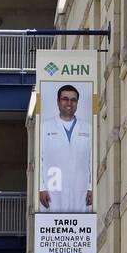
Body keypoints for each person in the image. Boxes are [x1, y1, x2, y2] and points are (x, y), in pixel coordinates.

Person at [39, 84, 93, 212]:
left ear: (77, 103)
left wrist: (91, 188)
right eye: (65, 99)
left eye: (73, 100)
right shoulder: (44, 127)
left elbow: (92, 160)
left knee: (80, 228)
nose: (69, 103)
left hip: (81, 191)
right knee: (53, 228)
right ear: (58, 102)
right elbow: (39, 160)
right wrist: (41, 188)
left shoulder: (88, 129)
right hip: (52, 192)